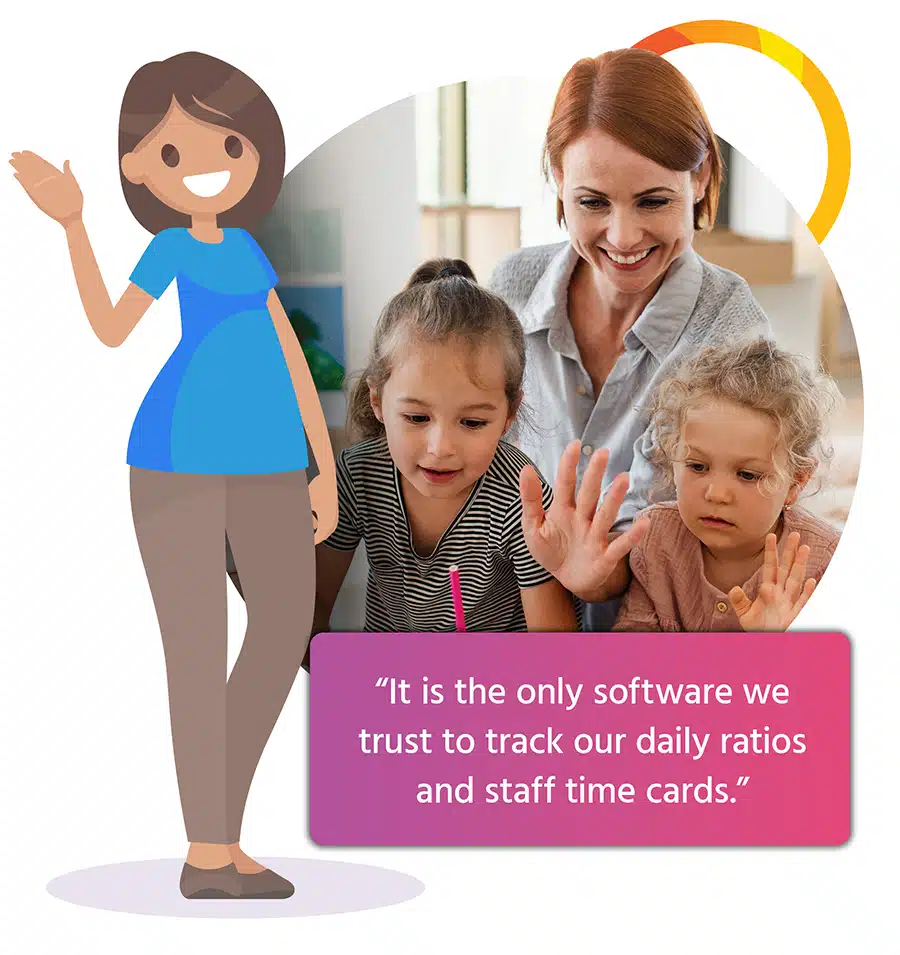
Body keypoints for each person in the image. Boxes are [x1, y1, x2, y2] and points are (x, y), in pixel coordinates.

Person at [10, 52, 338, 900]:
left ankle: (215, 833)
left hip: (271, 462)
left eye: (226, 144)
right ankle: (210, 850)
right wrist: (74, 225)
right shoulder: (166, 248)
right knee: (192, 655)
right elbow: (113, 329)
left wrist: (324, 466)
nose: (202, 166)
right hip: (173, 460)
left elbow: (293, 360)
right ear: (137, 169)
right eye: (171, 152)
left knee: (277, 635)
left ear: (252, 149)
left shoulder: (248, 250)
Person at [490, 48, 772, 628]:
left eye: (653, 201)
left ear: (697, 179)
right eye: (592, 203)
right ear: (560, 180)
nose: (623, 238)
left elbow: (725, 535)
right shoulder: (511, 287)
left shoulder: (733, 330)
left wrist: (605, 575)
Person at [311, 258, 578, 646]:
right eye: (417, 417)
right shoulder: (357, 476)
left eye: (472, 423)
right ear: (378, 401)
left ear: (508, 415)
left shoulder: (521, 497)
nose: (440, 449)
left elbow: (555, 648)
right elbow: (312, 604)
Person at [612, 339, 841, 631]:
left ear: (796, 482)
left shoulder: (826, 562)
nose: (716, 494)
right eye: (697, 466)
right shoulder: (655, 539)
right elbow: (628, 661)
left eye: (747, 475)